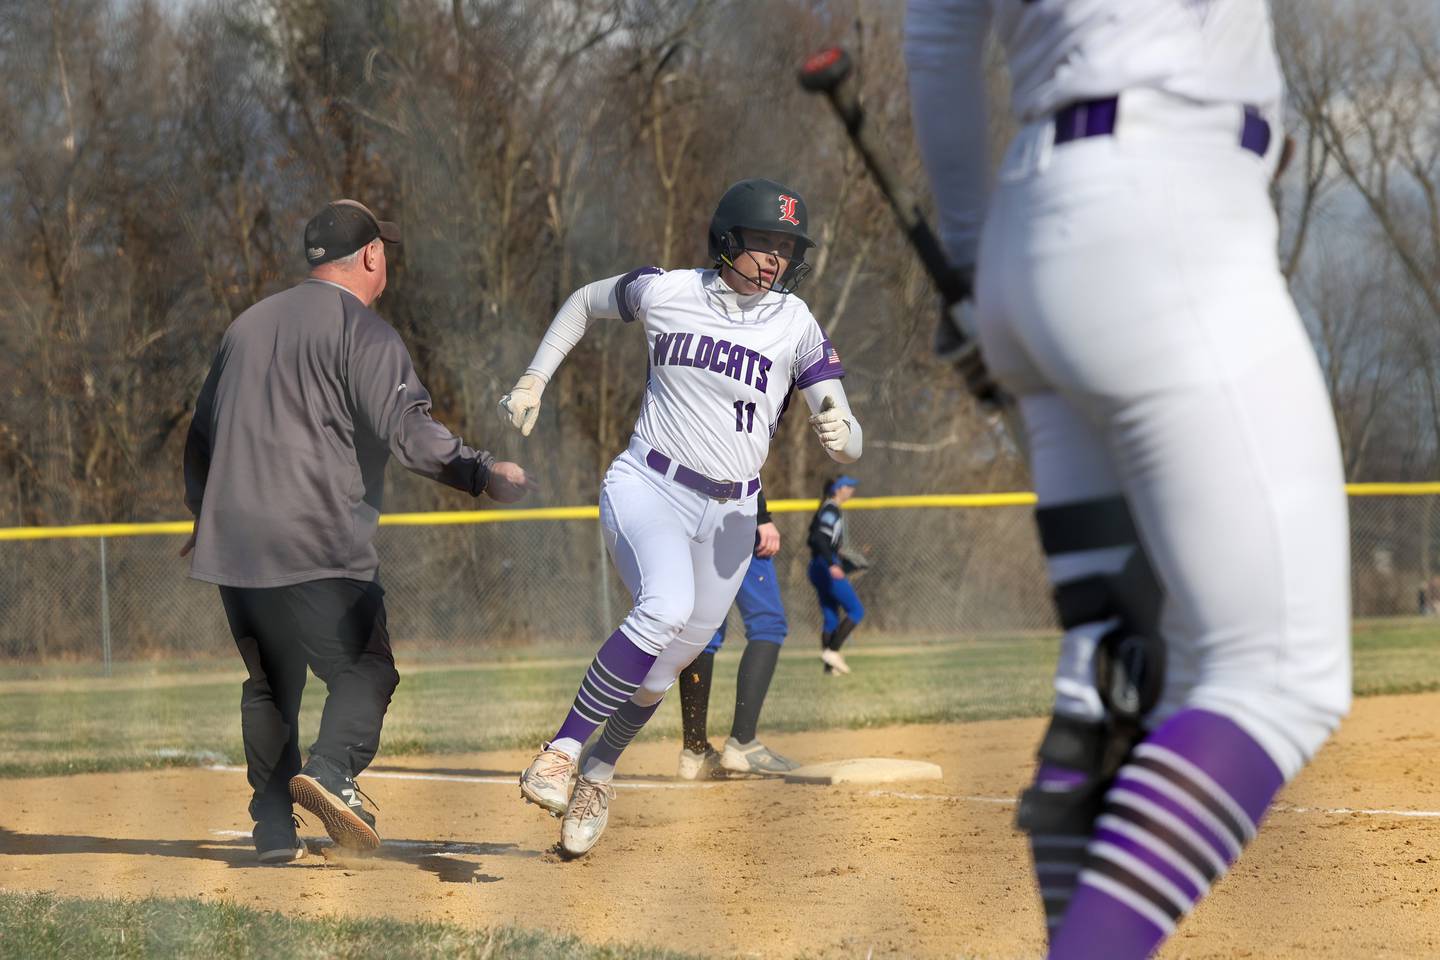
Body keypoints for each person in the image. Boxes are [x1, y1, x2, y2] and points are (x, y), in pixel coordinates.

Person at [904, 3, 1351, 958]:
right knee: (1277, 679)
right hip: (1168, 205)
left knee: (1113, 665)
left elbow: (937, 39)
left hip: (1035, 230)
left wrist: (976, 264)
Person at [500, 178, 862, 858]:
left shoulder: (796, 321)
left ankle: (598, 775)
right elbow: (584, 302)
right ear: (728, 240)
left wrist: (844, 430)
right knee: (663, 606)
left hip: (731, 511)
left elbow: (840, 415)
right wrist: (535, 378)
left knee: (667, 668)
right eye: (763, 242)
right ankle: (560, 751)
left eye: (786, 249)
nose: (775, 259)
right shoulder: (667, 290)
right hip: (650, 483)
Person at [183, 199, 533, 863]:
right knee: (365, 669)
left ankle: (272, 831)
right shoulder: (362, 331)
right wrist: (483, 471)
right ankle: (334, 769)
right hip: (315, 536)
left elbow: (202, 436)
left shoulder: (246, 327)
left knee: (270, 682)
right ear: (370, 256)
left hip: (236, 545)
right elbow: (410, 434)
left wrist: (202, 511)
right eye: (386, 251)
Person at [676, 489, 800, 780]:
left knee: (704, 631)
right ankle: (742, 743)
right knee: (768, 624)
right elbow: (737, 456)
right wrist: (762, 516)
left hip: (689, 516)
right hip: (733, 517)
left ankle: (694, 753)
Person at [807, 476, 865, 675]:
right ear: (838, 489)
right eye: (849, 487)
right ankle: (832, 651)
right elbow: (819, 537)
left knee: (831, 618)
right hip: (825, 566)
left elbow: (816, 539)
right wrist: (832, 563)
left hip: (817, 565)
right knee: (856, 610)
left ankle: (829, 668)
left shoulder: (828, 508)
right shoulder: (831, 509)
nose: (851, 491)